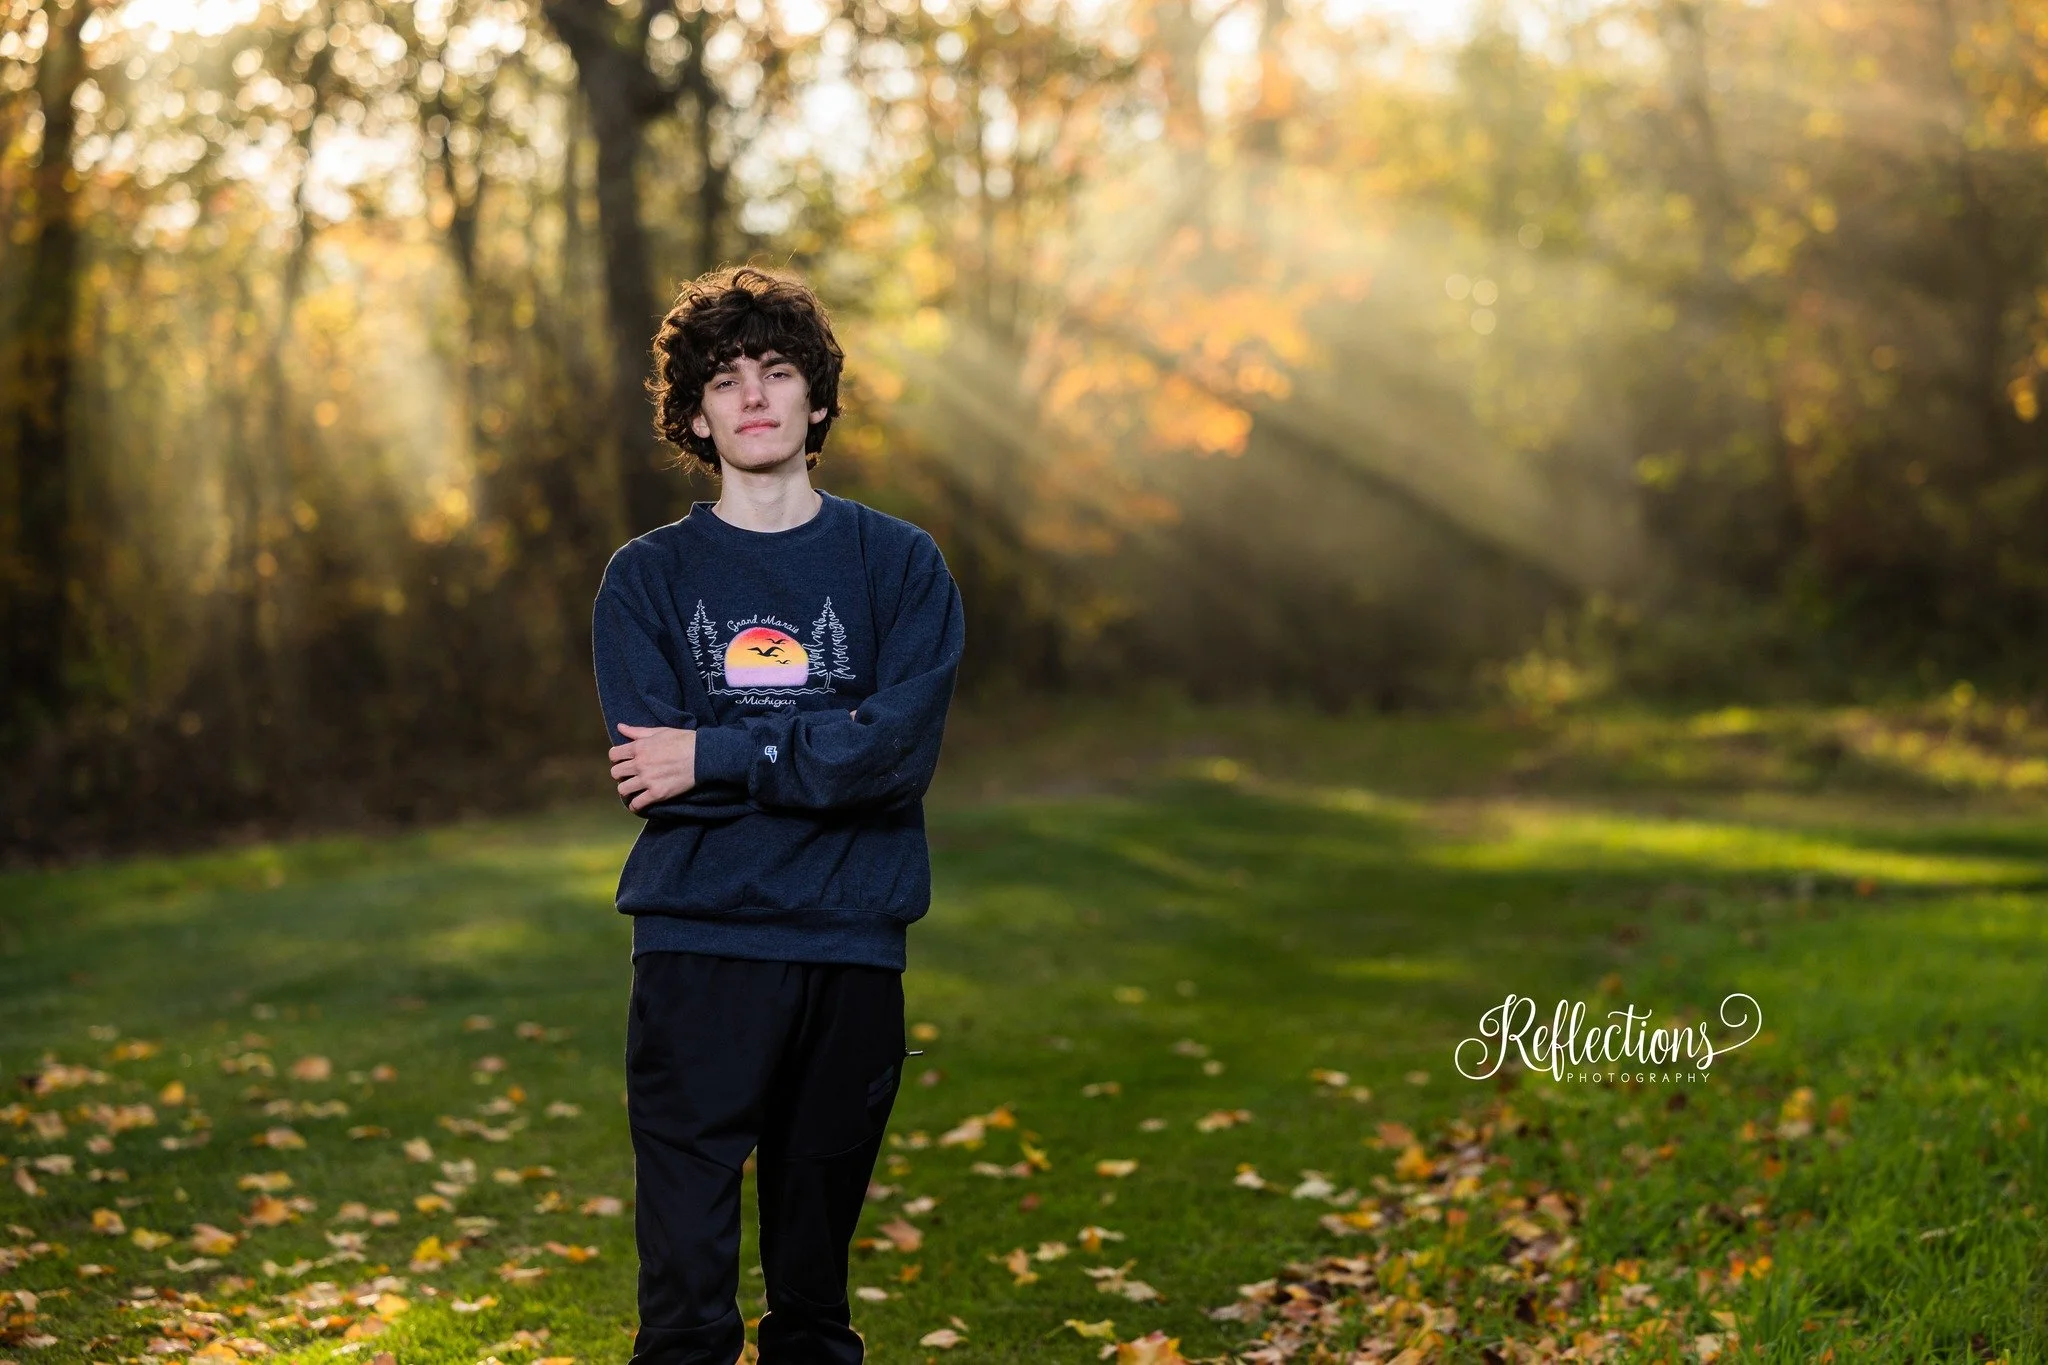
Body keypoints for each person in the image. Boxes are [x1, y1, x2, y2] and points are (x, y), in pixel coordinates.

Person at [590, 264, 966, 1365]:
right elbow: (644, 768)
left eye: (776, 370)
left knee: (811, 1305)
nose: (751, 395)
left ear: (816, 399)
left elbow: (893, 758)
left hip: (851, 945)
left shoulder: (897, 564)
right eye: (722, 379)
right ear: (694, 415)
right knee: (685, 1313)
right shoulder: (645, 580)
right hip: (697, 944)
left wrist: (715, 752)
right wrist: (823, 752)